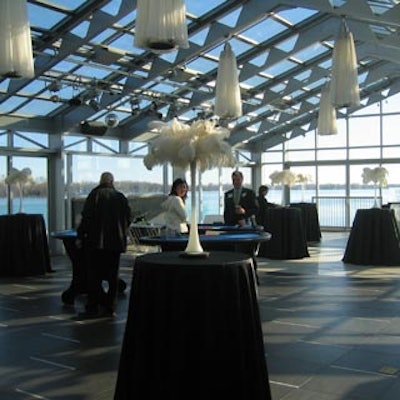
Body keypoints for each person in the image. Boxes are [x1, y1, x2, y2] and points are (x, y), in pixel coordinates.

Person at [76, 172, 131, 318]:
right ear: (112, 181)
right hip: (115, 243)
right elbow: (128, 219)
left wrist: (80, 235)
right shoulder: (120, 197)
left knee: (94, 276)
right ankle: (110, 307)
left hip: (95, 243)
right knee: (113, 276)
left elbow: (86, 218)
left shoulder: (94, 195)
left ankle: (93, 306)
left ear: (100, 181)